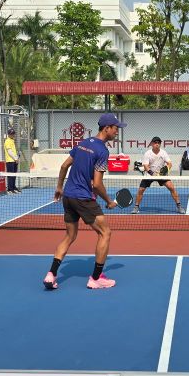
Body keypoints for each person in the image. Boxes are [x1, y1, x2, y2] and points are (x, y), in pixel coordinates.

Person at [45, 113, 125, 290]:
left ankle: (51, 274)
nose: (117, 131)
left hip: (68, 196)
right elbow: (97, 184)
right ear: (107, 128)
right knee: (105, 233)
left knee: (70, 236)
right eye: (116, 128)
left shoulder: (82, 143)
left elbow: (65, 165)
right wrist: (109, 201)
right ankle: (96, 278)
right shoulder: (103, 151)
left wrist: (59, 187)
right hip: (83, 198)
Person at [133, 136, 185, 214]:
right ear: (152, 144)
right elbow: (146, 166)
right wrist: (152, 173)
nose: (157, 144)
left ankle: (179, 206)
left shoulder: (163, 153)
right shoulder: (148, 153)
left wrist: (165, 170)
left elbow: (169, 163)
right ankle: (136, 207)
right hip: (150, 174)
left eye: (158, 143)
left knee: (171, 187)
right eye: (155, 143)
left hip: (161, 175)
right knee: (141, 190)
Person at [4, 128, 21, 194]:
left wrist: (16, 158)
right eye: (11, 134)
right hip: (10, 161)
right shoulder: (7, 141)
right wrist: (15, 158)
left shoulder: (12, 140)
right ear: (8, 134)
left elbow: (13, 151)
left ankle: (13, 187)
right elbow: (9, 152)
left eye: (13, 134)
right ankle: (10, 189)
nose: (12, 135)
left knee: (14, 174)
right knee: (10, 175)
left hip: (14, 160)